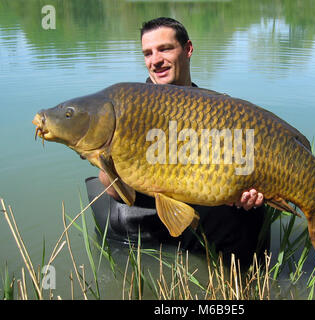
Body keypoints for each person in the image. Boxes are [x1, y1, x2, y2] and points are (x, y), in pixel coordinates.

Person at [88, 17, 271, 268]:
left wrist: (245, 189)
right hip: (147, 202)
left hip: (198, 196)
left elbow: (239, 162)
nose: (155, 60)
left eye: (164, 49)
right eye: (147, 53)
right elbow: (109, 185)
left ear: (188, 49)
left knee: (250, 213)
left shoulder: (215, 107)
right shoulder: (131, 105)